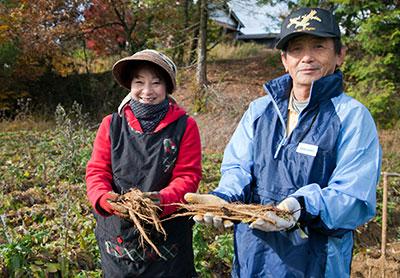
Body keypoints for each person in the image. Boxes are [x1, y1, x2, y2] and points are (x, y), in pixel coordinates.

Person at [184, 7, 381, 277]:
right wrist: (224, 199)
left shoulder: (352, 117)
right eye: (297, 49)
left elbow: (352, 197)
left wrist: (299, 206)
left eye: (319, 46)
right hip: (253, 255)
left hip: (315, 261)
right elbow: (238, 168)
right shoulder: (259, 110)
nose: (307, 58)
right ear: (284, 59)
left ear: (340, 55)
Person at [86, 49, 202, 277]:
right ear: (130, 85)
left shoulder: (185, 126)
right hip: (119, 234)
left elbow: (188, 177)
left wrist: (160, 201)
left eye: (156, 83)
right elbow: (97, 171)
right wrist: (106, 199)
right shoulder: (111, 125)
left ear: (167, 87)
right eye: (139, 82)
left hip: (168, 237)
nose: (147, 91)